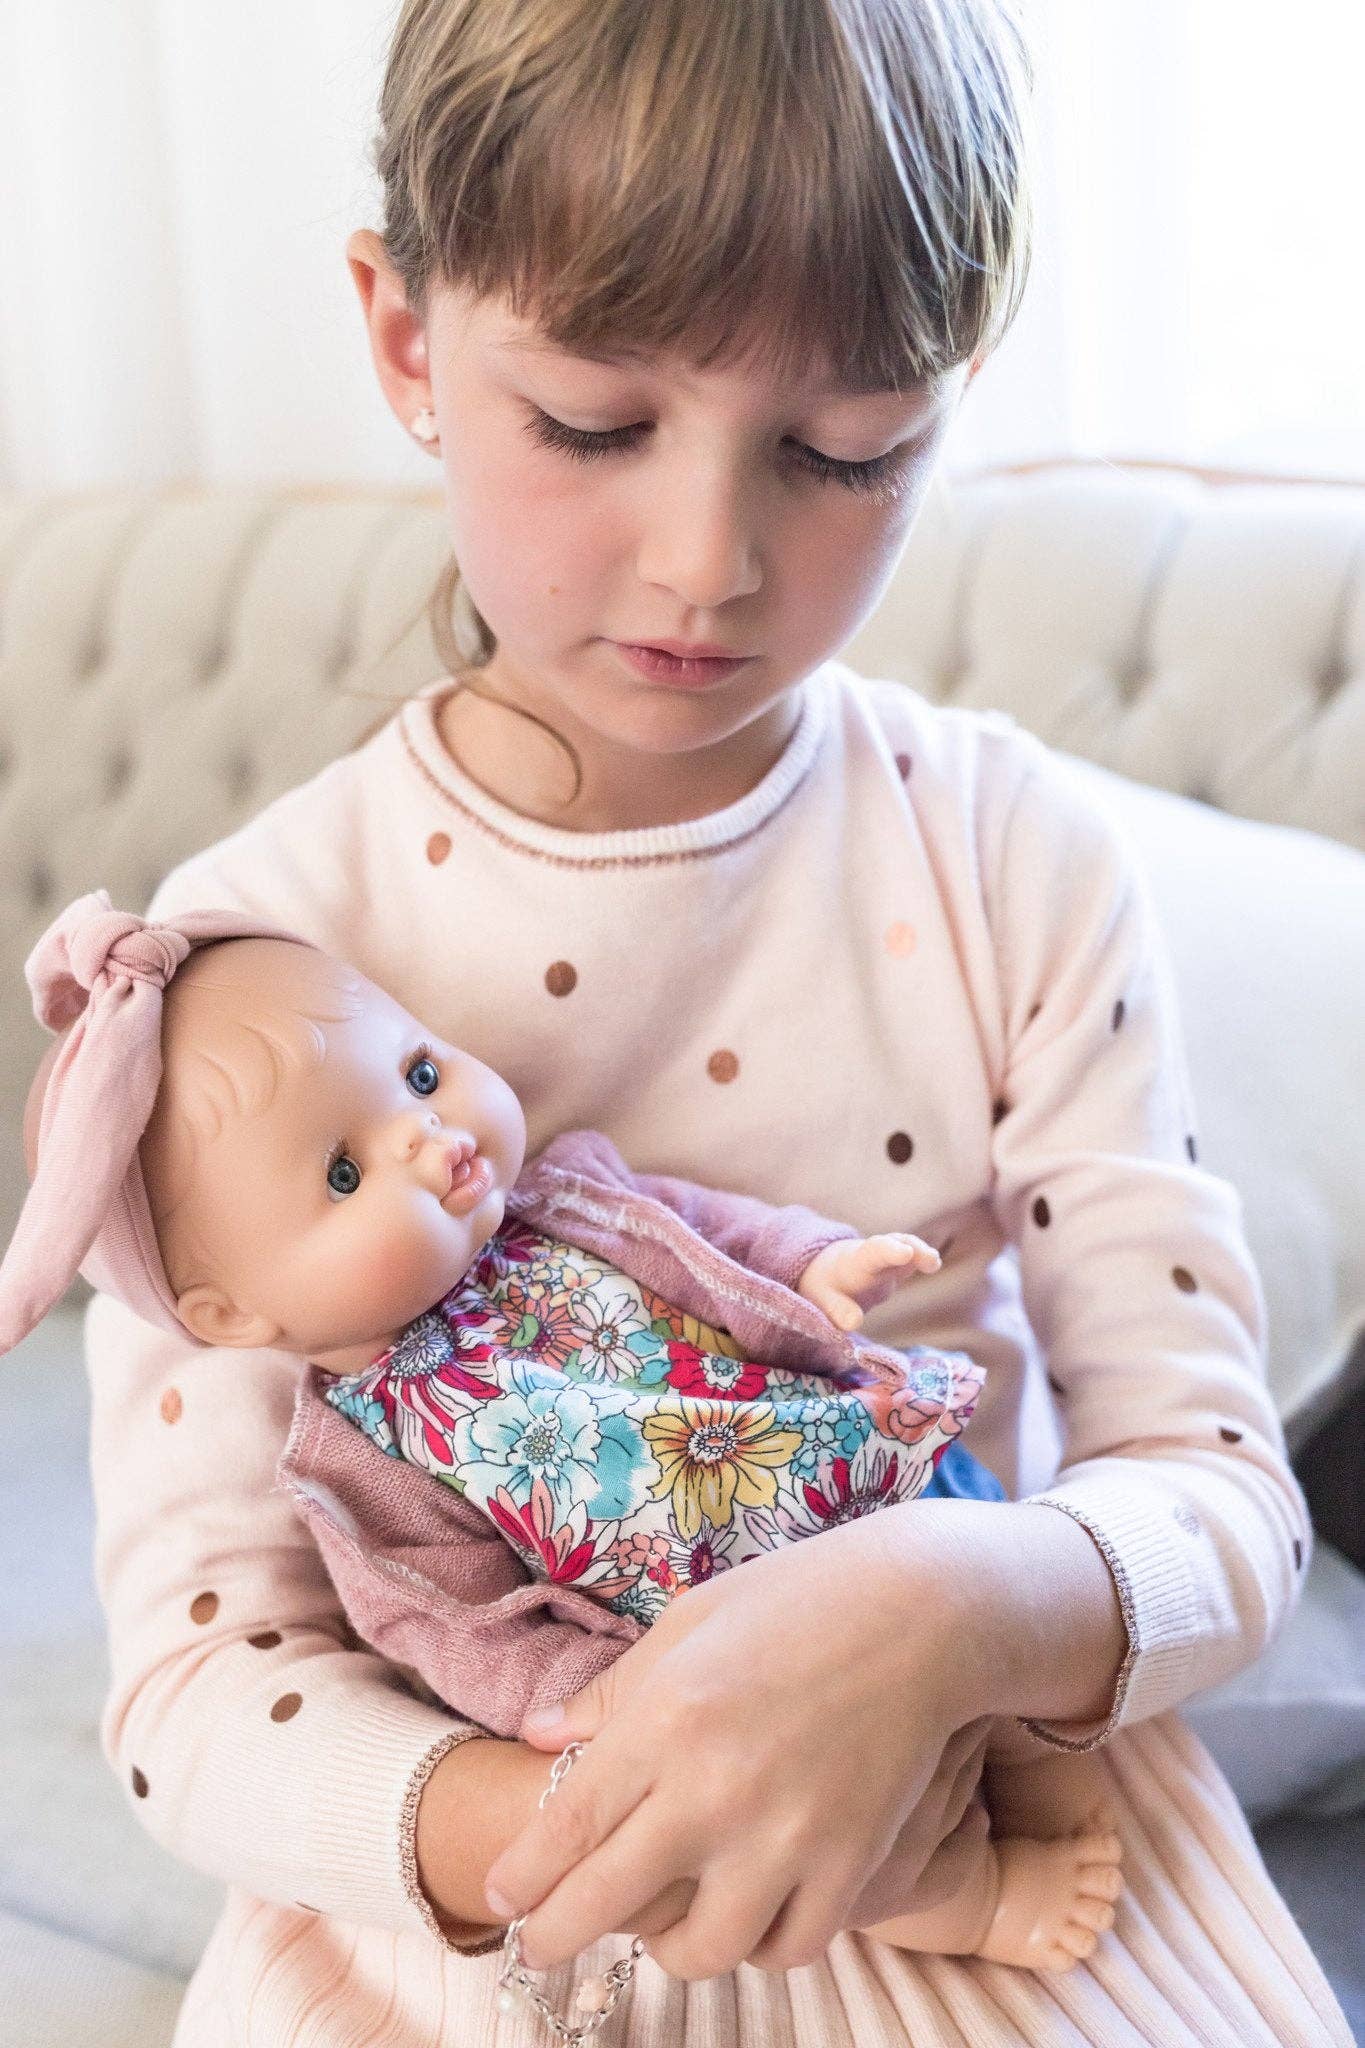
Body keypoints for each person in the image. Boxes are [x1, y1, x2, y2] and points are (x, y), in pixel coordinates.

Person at [68, 0, 1351, 2040]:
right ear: (408, 342)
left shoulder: (1010, 854)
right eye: (591, 421)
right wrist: (598, 1814)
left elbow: (1210, 1495)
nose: (708, 558)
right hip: (484, 1885)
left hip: (994, 1815)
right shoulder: (254, 949)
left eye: (842, 450)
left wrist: (944, 1608)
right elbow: (199, 1679)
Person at [2, 902, 1126, 2013]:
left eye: (420, 1072)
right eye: (343, 1174)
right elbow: (466, 1630)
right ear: (231, 1313)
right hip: (710, 1654)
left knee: (986, 1556)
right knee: (860, 1853)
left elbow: (713, 1232)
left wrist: (817, 1263)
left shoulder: (566, 1196)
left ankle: (1029, 1747)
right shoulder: (362, 1466)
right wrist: (605, 1714)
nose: (425, 1134)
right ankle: (971, 1894)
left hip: (837, 1465)